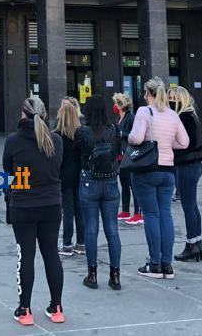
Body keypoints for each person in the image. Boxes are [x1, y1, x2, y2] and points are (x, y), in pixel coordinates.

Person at [3, 97, 65, 326]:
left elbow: (8, 171)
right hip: (51, 203)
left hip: (24, 204)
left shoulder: (14, 141)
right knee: (51, 253)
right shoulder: (55, 140)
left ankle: (25, 309)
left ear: (23, 114)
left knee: (26, 255)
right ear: (45, 115)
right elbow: (57, 166)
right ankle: (56, 307)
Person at [128, 77, 189, 279]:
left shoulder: (144, 111)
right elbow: (184, 142)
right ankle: (167, 264)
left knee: (151, 215)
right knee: (165, 215)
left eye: (145, 93)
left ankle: (154, 263)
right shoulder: (172, 114)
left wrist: (130, 137)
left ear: (148, 93)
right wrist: (166, 145)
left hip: (147, 169)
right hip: (167, 170)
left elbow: (137, 138)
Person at [79, 96, 122, 291]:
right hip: (111, 181)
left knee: (91, 229)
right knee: (112, 229)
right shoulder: (114, 129)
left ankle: (92, 274)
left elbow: (79, 157)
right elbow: (118, 153)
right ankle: (115, 275)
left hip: (90, 181)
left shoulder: (84, 131)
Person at [171, 87, 202, 262]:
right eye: (169, 97)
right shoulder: (191, 115)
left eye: (174, 98)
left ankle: (192, 244)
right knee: (192, 205)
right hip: (193, 165)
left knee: (188, 206)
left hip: (186, 164)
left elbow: (186, 143)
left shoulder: (184, 117)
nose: (170, 101)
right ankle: (197, 243)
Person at [54, 99, 86, 257]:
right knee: (79, 210)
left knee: (67, 210)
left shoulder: (56, 135)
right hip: (80, 175)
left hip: (64, 176)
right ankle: (81, 243)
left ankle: (67, 244)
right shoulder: (82, 133)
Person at [112, 93, 141, 225]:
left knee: (132, 185)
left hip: (129, 155)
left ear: (122, 105)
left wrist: (122, 134)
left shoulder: (131, 117)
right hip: (120, 155)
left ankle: (138, 213)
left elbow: (136, 134)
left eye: (116, 103)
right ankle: (125, 210)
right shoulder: (118, 118)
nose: (114, 106)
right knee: (124, 184)